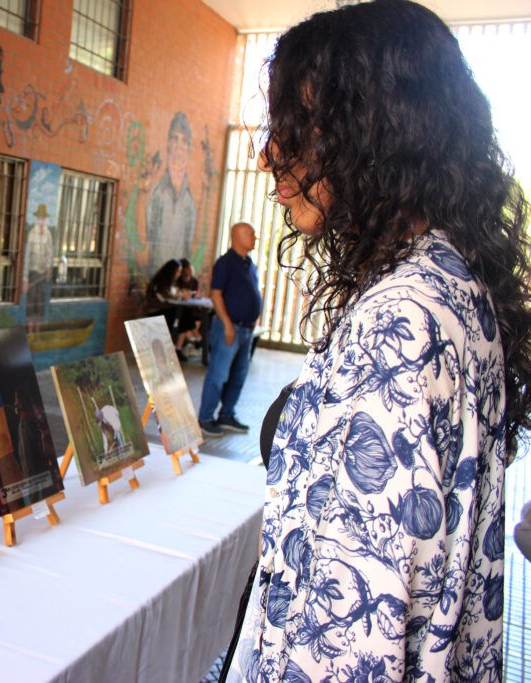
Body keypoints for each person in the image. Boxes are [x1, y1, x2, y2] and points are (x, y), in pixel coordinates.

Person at [227, 2, 529, 680]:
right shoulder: (453, 281)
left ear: (377, 131)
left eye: (299, 129)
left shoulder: (400, 327)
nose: (270, 154)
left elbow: (346, 639)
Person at [197, 222, 260, 437]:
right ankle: (205, 418)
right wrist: (226, 325)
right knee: (218, 374)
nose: (255, 237)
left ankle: (226, 415)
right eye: (250, 233)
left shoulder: (249, 263)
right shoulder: (226, 263)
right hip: (229, 328)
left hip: (246, 330)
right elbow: (216, 295)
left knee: (239, 375)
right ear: (237, 236)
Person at [147, 112, 198, 270]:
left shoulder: (190, 203)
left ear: (189, 148)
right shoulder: (157, 194)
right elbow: (149, 235)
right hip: (157, 277)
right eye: (175, 139)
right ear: (168, 144)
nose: (179, 147)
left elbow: (188, 245)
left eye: (184, 141)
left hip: (178, 281)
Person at [144, 259, 198, 353]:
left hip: (166, 311)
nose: (179, 274)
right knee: (184, 315)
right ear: (171, 272)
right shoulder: (158, 284)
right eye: (178, 272)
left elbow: (174, 293)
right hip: (156, 313)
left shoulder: (170, 283)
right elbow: (166, 298)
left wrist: (181, 294)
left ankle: (182, 346)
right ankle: (196, 338)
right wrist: (181, 295)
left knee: (184, 315)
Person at [23, 203, 53, 333]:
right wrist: (25, 278)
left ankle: (38, 331)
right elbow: (27, 256)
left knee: (40, 303)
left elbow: (49, 253)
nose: (41, 220)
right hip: (32, 273)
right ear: (37, 219)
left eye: (43, 218)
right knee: (31, 303)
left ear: (45, 219)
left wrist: (48, 267)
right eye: (39, 218)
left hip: (42, 275)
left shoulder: (48, 234)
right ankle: (30, 332)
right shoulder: (31, 234)